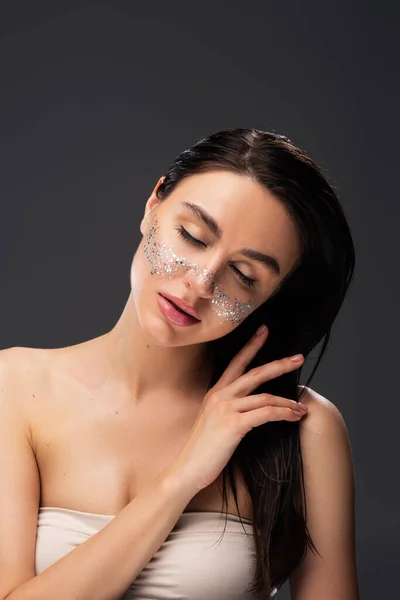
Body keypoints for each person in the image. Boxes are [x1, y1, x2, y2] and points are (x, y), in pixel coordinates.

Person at [0, 128, 359, 599]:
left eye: (244, 275)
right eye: (192, 236)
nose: (201, 283)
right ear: (154, 206)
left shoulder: (300, 427)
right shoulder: (14, 387)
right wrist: (183, 478)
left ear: (271, 296)